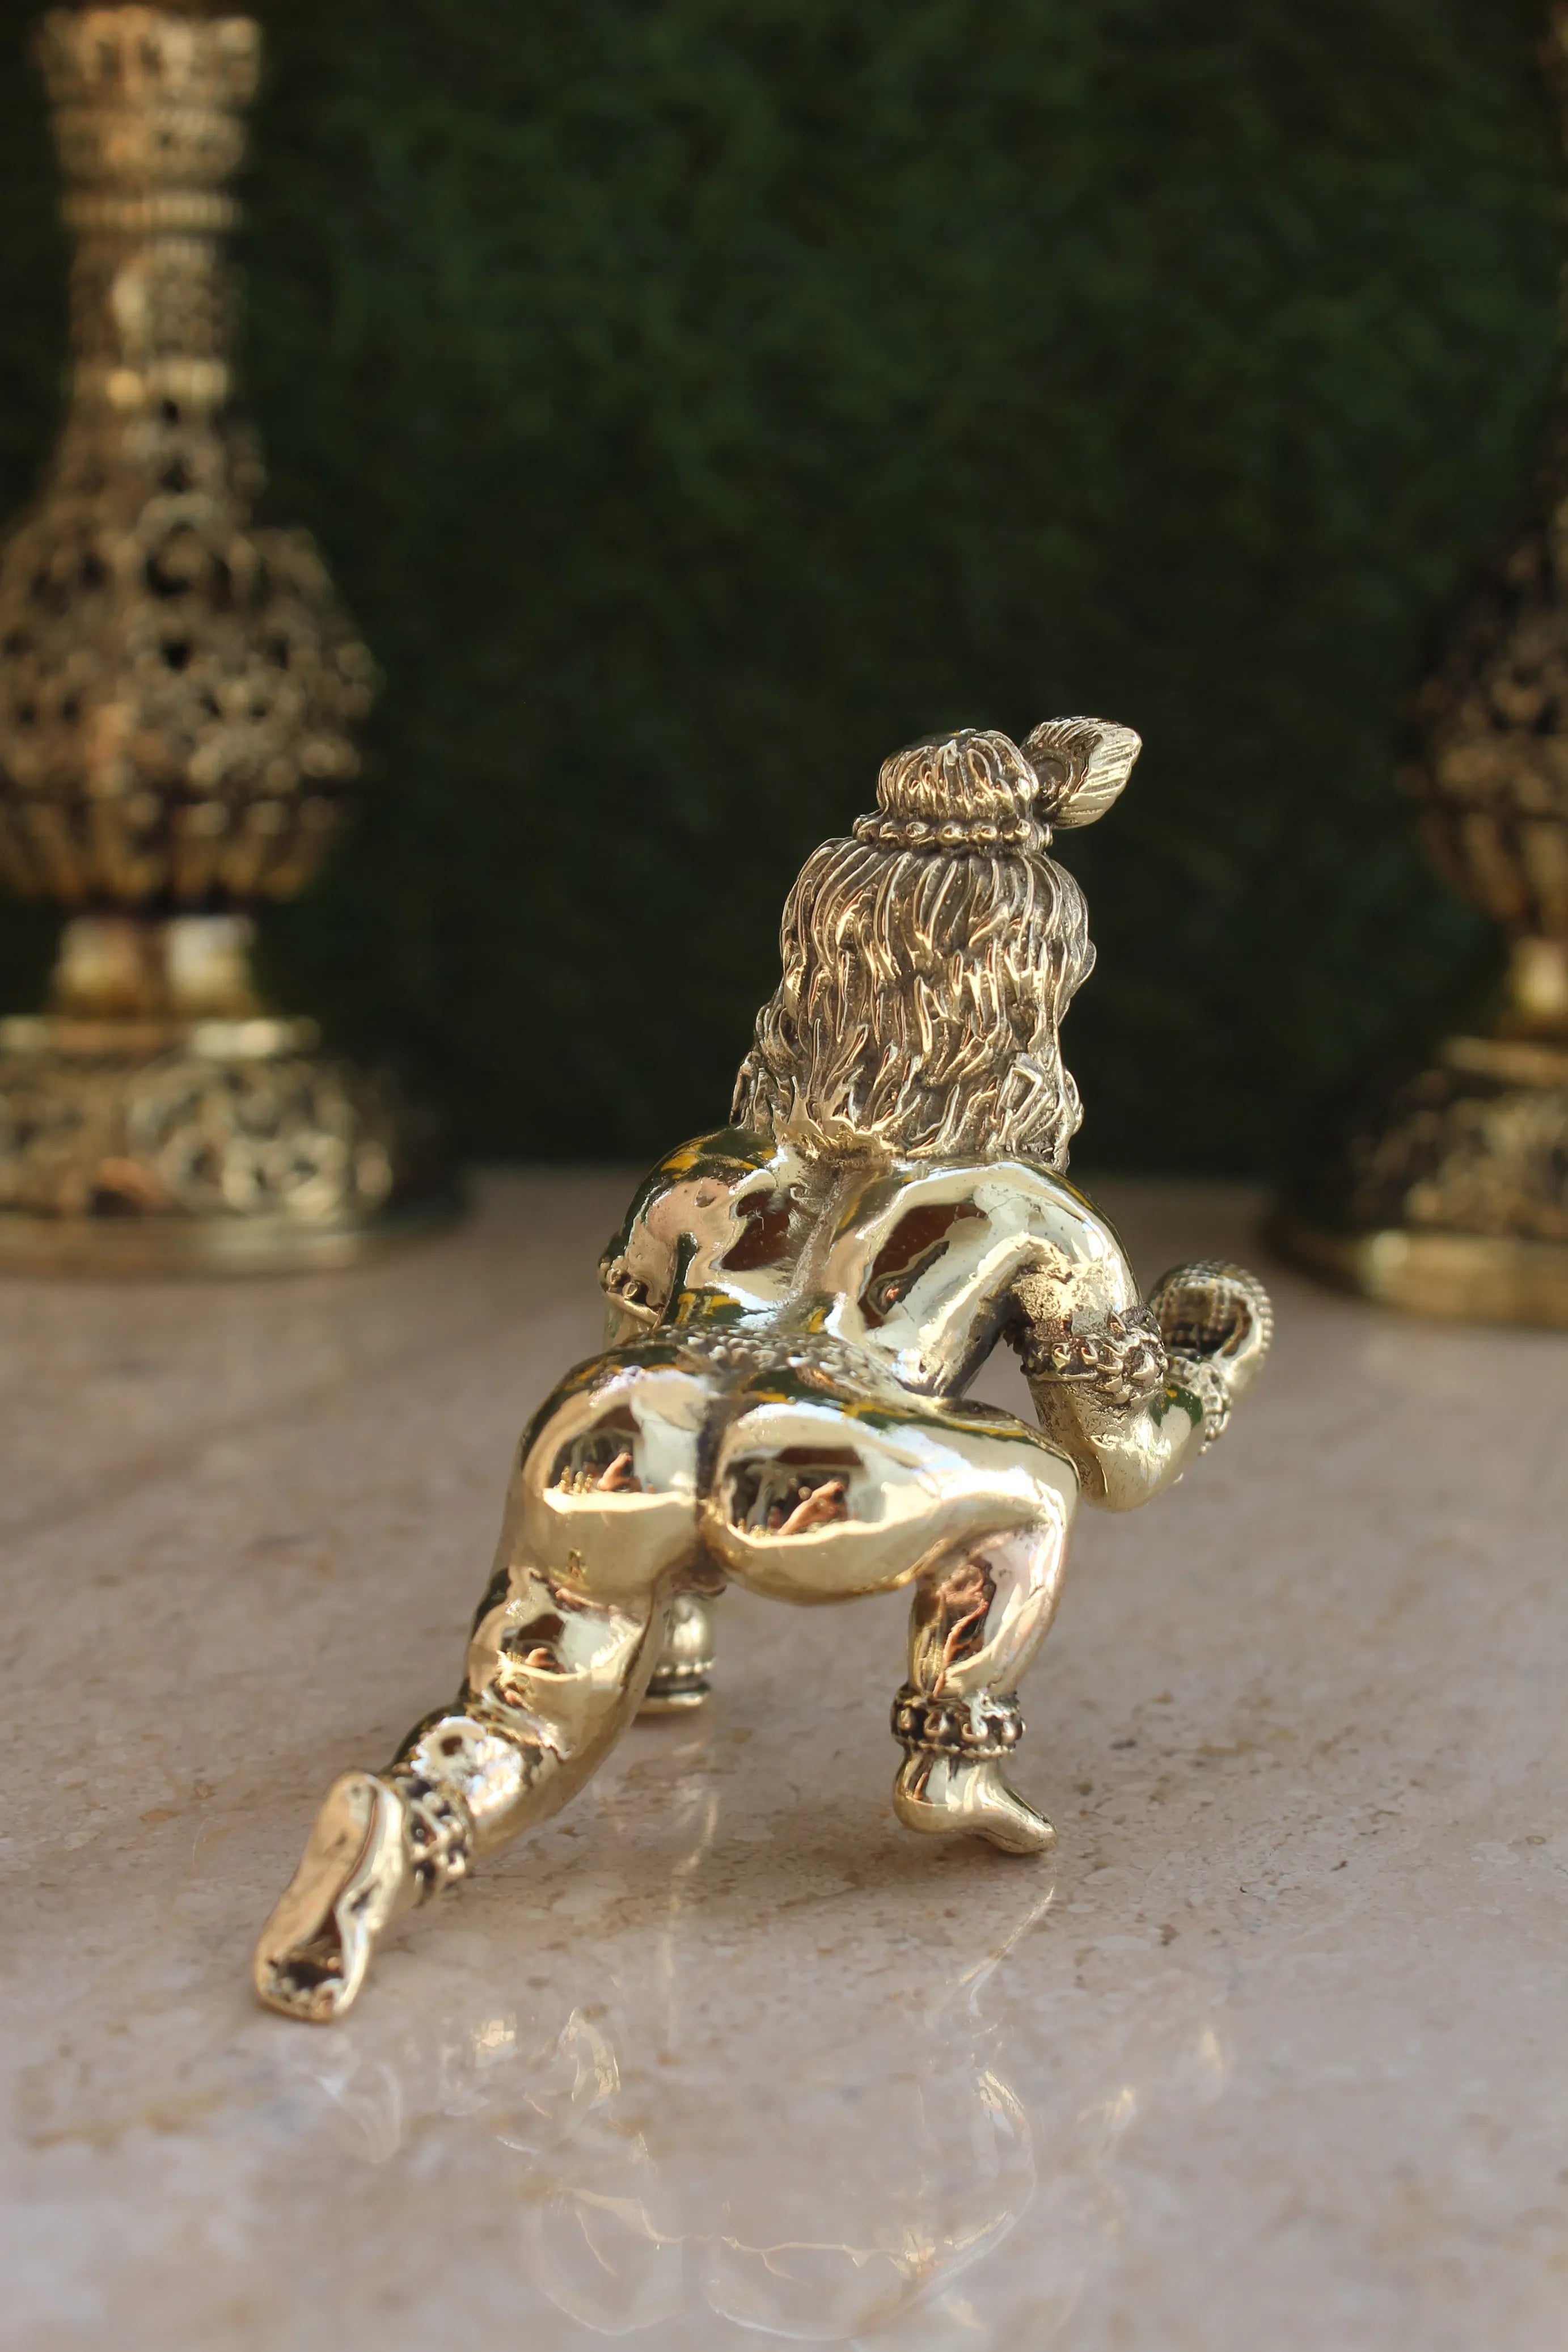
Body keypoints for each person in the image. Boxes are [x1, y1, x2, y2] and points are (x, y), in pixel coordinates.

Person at [255, 719, 1271, 2022]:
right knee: (1031, 1491)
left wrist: (676, 1580)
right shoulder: (1025, 1208)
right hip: (831, 1467)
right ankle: (951, 1752)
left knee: (531, 1707)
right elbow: (1120, 1461)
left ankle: (412, 1817)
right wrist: (1207, 1369)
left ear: (814, 961)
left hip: (612, 1426)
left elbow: (647, 1338)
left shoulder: (710, 1168)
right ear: (1028, 993)